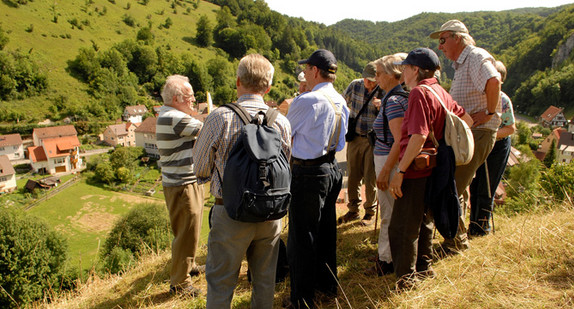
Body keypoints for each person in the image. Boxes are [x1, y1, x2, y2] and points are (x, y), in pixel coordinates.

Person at [193, 54, 292, 308]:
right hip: (270, 215)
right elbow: (286, 165)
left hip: (230, 213)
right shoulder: (280, 121)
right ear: (268, 87)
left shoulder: (219, 117)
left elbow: (201, 169)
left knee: (220, 283)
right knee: (264, 282)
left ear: (238, 81)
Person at [387, 48, 472, 289]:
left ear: (415, 70)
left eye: (405, 67)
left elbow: (418, 136)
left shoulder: (418, 93)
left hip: (415, 169)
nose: (402, 70)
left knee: (403, 226)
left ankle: (406, 280)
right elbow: (467, 121)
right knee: (423, 220)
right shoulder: (440, 91)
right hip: (437, 167)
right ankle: (424, 267)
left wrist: (400, 171)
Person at [430, 19, 502, 253]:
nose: (440, 46)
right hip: (470, 132)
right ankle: (456, 238)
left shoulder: (475, 56)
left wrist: (489, 112)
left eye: (443, 39)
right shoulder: (462, 63)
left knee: (452, 187)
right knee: (454, 186)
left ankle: (455, 243)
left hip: (478, 132)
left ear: (457, 37)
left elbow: (494, 80)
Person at [287, 49, 349, 308]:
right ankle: (327, 286)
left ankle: (302, 299)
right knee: (325, 230)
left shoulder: (307, 100)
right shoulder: (340, 101)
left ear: (314, 71)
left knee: (302, 237)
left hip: (308, 173)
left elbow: (284, 134)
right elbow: (343, 138)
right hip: (331, 169)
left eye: (306, 70)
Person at [157, 74, 205, 296]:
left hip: (183, 182)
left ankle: (189, 267)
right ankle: (180, 284)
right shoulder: (176, 118)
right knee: (186, 232)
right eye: (190, 96)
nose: (194, 100)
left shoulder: (169, 114)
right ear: (176, 98)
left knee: (190, 230)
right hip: (183, 184)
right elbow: (208, 129)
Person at [367, 54, 408, 276]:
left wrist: (385, 171)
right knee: (392, 211)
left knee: (388, 212)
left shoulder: (392, 102)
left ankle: (386, 260)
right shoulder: (401, 97)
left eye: (380, 73)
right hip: (391, 161)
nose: (376, 77)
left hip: (388, 161)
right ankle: (391, 255)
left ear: (393, 75)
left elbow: (399, 140)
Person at [469, 60, 515, 236]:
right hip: (481, 143)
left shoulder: (503, 100)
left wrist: (490, 134)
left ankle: (481, 228)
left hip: (497, 147)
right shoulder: (479, 96)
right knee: (474, 185)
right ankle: (474, 225)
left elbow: (510, 128)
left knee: (486, 187)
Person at [338, 62, 384, 226]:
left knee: (370, 178)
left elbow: (388, 116)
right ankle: (353, 210)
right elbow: (342, 103)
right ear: (363, 76)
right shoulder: (355, 85)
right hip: (355, 138)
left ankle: (370, 212)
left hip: (373, 141)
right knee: (353, 176)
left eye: (373, 80)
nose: (370, 83)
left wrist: (381, 107)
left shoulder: (383, 90)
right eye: (368, 80)